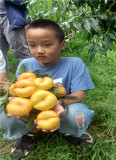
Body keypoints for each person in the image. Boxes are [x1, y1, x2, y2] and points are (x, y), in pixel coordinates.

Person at [0, 19, 95, 159]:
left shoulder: (75, 64)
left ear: (62, 44)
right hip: (33, 109)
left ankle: (69, 131)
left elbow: (78, 95)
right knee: (4, 115)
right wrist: (18, 101)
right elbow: (21, 91)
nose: (39, 50)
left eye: (47, 44)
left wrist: (59, 103)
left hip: (63, 109)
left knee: (78, 116)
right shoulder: (26, 65)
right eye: (32, 45)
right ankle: (30, 133)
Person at [0, 0, 31, 71]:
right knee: (0, 51)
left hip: (11, 18)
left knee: (19, 49)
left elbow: (24, 1)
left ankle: (31, 73)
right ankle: (3, 75)